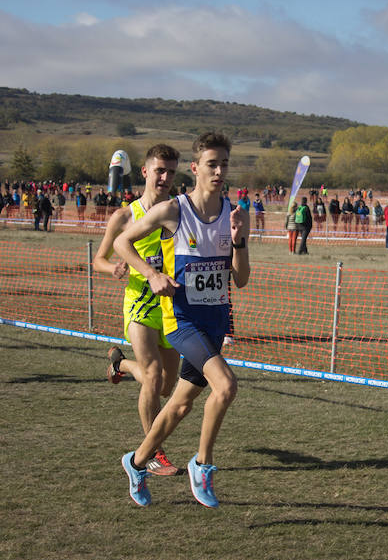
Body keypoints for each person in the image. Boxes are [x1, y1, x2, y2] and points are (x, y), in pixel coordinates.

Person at [113, 132, 250, 508]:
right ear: (195, 168)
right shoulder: (174, 210)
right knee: (225, 386)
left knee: (179, 405)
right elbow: (122, 243)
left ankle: (137, 462)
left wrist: (240, 241)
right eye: (212, 164)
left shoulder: (234, 213)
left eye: (224, 163)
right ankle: (202, 464)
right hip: (182, 320)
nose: (219, 171)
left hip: (215, 323)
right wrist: (151, 273)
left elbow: (240, 279)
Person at [93, 144, 182, 478]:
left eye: (171, 172)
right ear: (145, 172)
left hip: (171, 306)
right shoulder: (124, 215)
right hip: (140, 303)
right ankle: (153, 452)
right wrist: (112, 269)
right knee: (154, 374)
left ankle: (121, 364)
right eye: (159, 170)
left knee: (162, 387)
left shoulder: (178, 210)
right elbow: (99, 258)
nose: (165, 177)